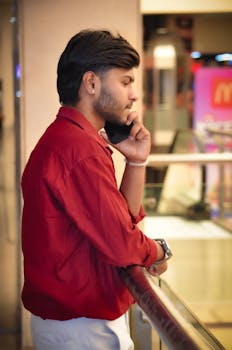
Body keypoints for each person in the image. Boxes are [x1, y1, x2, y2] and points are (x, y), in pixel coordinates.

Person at [21, 29, 170, 350]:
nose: (133, 95)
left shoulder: (72, 139)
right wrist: (161, 250)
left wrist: (136, 163)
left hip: (75, 324)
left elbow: (121, 223)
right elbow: (122, 244)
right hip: (82, 328)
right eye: (126, 82)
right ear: (91, 83)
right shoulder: (78, 149)